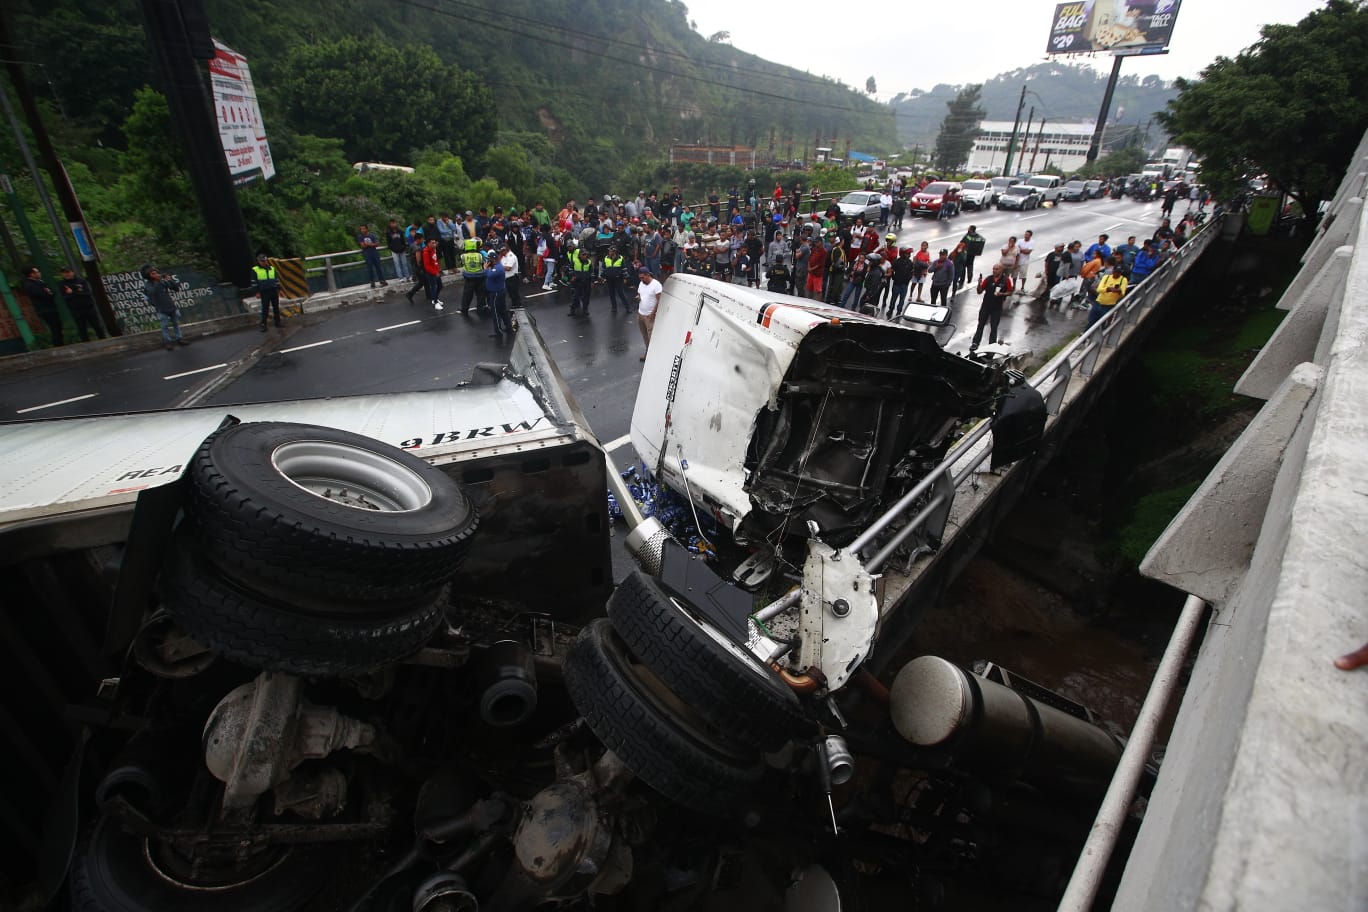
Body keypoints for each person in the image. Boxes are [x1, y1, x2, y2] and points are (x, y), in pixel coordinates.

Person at [143, 265, 187, 350]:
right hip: (161, 308)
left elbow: (176, 288)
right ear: (149, 276)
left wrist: (169, 279)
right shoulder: (148, 285)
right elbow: (153, 292)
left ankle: (179, 339)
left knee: (176, 324)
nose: (156, 275)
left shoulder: (162, 282)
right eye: (153, 274)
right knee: (165, 326)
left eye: (156, 273)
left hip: (171, 306)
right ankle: (167, 342)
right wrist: (157, 282)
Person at [58, 266, 106, 342]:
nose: (66, 274)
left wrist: (73, 292)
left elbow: (87, 293)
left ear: (72, 272)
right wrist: (77, 292)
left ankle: (103, 340)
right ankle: (86, 344)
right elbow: (65, 297)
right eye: (64, 273)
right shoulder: (62, 284)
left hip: (88, 307)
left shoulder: (81, 281)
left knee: (96, 325)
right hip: (76, 309)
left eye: (68, 272)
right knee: (81, 328)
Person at [971, 264, 1013, 350]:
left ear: (1001, 270)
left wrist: (1002, 294)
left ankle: (992, 345)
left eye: (996, 269)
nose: (994, 271)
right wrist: (979, 284)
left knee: (994, 327)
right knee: (980, 324)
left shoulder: (1006, 280)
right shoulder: (988, 279)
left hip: (997, 308)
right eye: (993, 269)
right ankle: (975, 342)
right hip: (986, 305)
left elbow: (1010, 292)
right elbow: (979, 291)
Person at [21, 266, 63, 346]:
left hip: (49, 307)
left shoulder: (39, 282)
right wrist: (48, 293)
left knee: (57, 327)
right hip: (45, 309)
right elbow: (44, 294)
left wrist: (49, 293)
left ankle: (59, 344)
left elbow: (51, 292)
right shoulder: (30, 285)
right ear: (31, 274)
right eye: (37, 272)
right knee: (55, 327)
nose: (39, 273)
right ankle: (58, 345)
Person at [636, 266, 662, 361]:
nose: (641, 279)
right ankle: (648, 353)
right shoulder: (641, 283)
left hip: (649, 316)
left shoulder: (656, 285)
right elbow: (640, 293)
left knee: (652, 338)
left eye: (643, 277)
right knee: (645, 336)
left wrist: (652, 314)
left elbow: (659, 301)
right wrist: (638, 297)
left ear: (648, 275)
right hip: (640, 314)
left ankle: (655, 358)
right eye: (640, 278)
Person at [484, 250, 511, 337]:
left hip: (496, 293)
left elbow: (490, 275)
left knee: (495, 312)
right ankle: (509, 327)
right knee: (503, 310)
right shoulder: (494, 267)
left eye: (489, 260)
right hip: (498, 292)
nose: (488, 261)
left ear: (494, 260)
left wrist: (486, 268)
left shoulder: (497, 268)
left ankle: (498, 332)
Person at [252, 254, 282, 330]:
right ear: (258, 261)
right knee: (265, 308)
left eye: (265, 261)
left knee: (276, 307)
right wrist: (257, 292)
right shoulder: (255, 269)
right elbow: (254, 282)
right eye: (262, 261)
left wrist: (278, 289)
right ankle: (263, 324)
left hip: (273, 290)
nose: (264, 262)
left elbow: (276, 280)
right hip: (264, 291)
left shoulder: (272, 268)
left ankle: (278, 322)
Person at [459, 238, 486, 315]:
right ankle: (480, 309)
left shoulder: (463, 256)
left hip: (469, 278)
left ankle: (465, 309)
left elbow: (462, 263)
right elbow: (482, 264)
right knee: (480, 294)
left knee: (467, 295)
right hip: (480, 277)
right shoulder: (479, 255)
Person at [887, 248, 914, 319]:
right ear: (902, 253)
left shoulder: (910, 262)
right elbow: (891, 270)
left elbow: (912, 272)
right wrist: (894, 277)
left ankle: (899, 311)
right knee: (893, 298)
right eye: (907, 253)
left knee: (902, 299)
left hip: (905, 284)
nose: (909, 255)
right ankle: (891, 309)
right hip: (897, 283)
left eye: (909, 254)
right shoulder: (896, 261)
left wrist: (908, 279)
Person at [568, 242, 594, 315]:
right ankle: (572, 310)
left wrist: (592, 281)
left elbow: (591, 272)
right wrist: (573, 276)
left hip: (586, 282)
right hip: (577, 282)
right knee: (576, 297)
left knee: (586, 297)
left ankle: (585, 309)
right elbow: (570, 269)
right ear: (580, 255)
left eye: (585, 254)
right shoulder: (575, 261)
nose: (584, 256)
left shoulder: (589, 262)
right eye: (583, 254)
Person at [602, 245, 630, 312]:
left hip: (618, 279)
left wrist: (625, 278)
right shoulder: (606, 258)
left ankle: (627, 307)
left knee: (621, 293)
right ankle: (614, 307)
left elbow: (624, 268)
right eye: (609, 251)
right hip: (609, 279)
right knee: (611, 293)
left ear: (614, 251)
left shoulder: (620, 258)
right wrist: (603, 277)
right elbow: (603, 268)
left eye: (610, 251)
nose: (609, 252)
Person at [422, 238, 444, 309]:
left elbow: (435, 261)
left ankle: (435, 298)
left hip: (435, 271)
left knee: (440, 285)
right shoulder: (426, 252)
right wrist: (434, 272)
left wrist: (438, 270)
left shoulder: (433, 250)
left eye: (435, 242)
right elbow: (427, 266)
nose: (434, 244)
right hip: (430, 273)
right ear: (428, 243)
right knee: (433, 287)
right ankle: (435, 302)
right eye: (433, 243)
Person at [500, 242, 522, 312]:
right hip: (507, 278)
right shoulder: (504, 256)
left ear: (505, 250)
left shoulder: (511, 256)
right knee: (510, 293)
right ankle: (514, 304)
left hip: (512, 278)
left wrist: (499, 267)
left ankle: (518, 306)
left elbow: (508, 268)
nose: (501, 253)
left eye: (502, 251)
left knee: (514, 293)